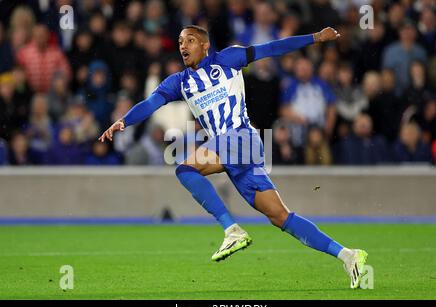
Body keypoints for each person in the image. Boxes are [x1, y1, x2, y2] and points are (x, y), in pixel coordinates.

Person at [99, 25, 368, 289]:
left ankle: (231, 229)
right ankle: (348, 255)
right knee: (281, 217)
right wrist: (124, 121)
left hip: (240, 137)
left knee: (186, 169)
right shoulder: (179, 82)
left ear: (205, 45)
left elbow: (272, 48)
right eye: (180, 41)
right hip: (238, 150)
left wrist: (315, 38)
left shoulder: (228, 58)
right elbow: (150, 104)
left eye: (190, 40)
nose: (183, 46)